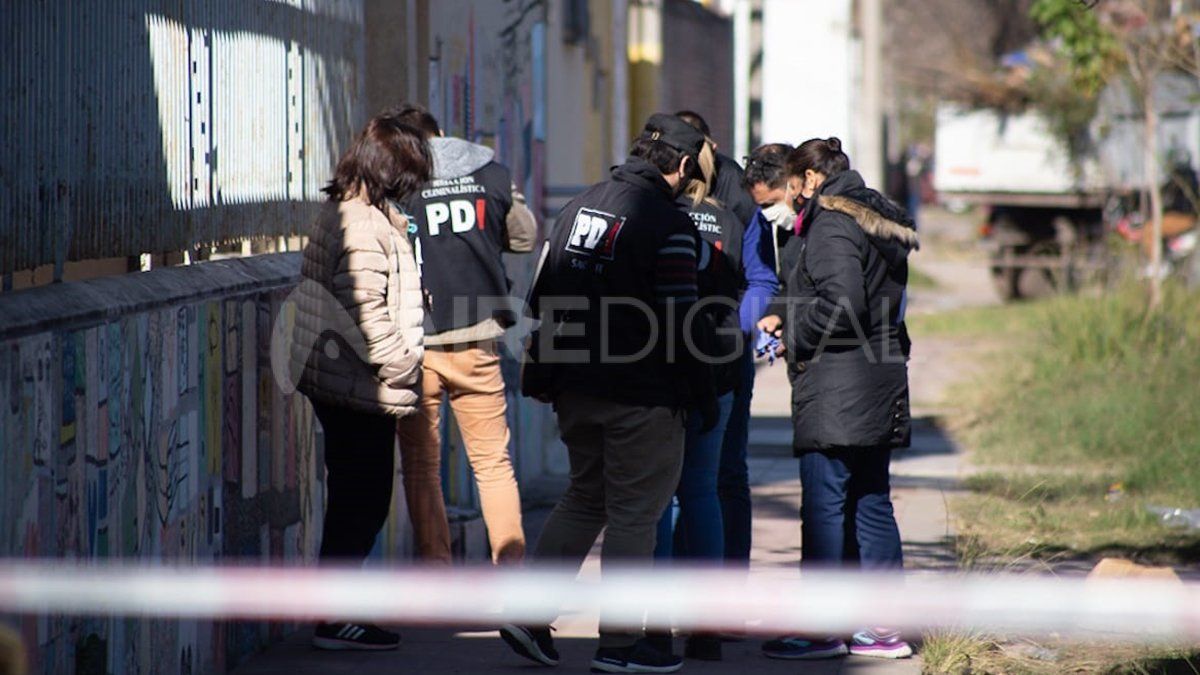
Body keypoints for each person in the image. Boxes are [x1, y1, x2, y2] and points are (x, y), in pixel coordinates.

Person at [501, 114, 716, 674]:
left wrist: (546, 374)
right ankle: (621, 645)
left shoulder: (579, 208)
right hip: (641, 394)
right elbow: (679, 319)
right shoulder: (667, 224)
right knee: (634, 516)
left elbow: (541, 296)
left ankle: (529, 615)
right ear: (685, 165)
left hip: (577, 386)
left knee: (584, 498)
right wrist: (704, 391)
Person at [757, 137, 918, 661]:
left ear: (810, 179)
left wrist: (793, 336)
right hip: (877, 380)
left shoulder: (830, 220)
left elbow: (842, 298)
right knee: (871, 503)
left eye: (793, 183)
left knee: (825, 508)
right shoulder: (873, 214)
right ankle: (881, 629)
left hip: (838, 386)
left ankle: (822, 628)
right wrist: (784, 307)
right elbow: (831, 283)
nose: (790, 195)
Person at [291, 114, 432, 650]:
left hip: (342, 379)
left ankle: (339, 613)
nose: (414, 187)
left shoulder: (348, 210)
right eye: (411, 174)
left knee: (357, 497)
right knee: (363, 500)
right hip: (358, 385)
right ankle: (335, 619)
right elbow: (365, 309)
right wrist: (401, 367)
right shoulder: (364, 224)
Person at [386, 104, 535, 566]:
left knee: (422, 465)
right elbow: (525, 237)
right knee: (492, 463)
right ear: (443, 133)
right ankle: (511, 571)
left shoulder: (397, 184)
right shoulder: (490, 172)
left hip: (417, 341)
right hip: (478, 338)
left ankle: (435, 572)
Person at [651, 138, 746, 662]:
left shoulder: (659, 216)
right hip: (721, 360)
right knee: (704, 492)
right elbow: (743, 283)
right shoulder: (728, 218)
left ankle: (658, 622)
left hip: (667, 364)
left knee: (661, 498)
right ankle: (707, 626)